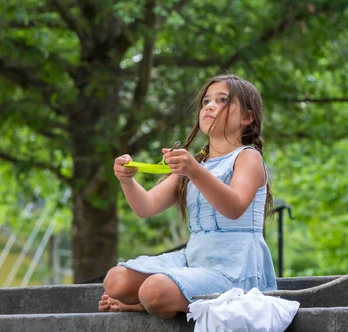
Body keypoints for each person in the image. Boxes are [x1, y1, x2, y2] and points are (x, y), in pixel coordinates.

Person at [99, 74, 277, 318]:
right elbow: (146, 207)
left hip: (234, 267)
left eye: (222, 100)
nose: (210, 106)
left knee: (153, 290)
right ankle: (156, 300)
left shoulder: (248, 157)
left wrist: (193, 170)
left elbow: (235, 207)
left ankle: (142, 304)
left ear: (247, 117)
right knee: (116, 280)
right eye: (206, 102)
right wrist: (127, 180)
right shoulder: (196, 163)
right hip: (193, 260)